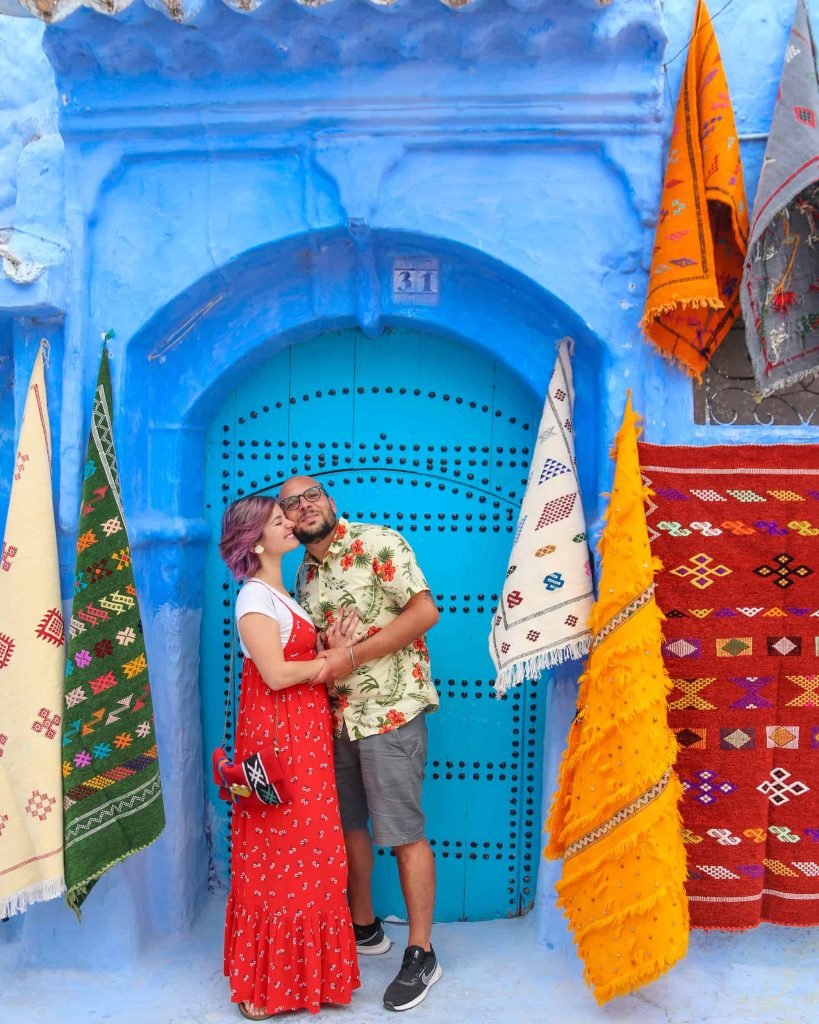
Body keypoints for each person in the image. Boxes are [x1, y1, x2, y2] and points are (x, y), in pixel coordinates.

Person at [278, 475, 442, 1013]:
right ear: (285, 520)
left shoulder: (377, 543)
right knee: (348, 829)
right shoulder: (304, 573)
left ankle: (422, 952)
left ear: (330, 503)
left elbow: (424, 614)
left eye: (311, 497)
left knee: (402, 834)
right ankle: (365, 927)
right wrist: (331, 650)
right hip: (338, 722)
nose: (303, 507)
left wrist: (353, 656)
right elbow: (326, 649)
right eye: (290, 504)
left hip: (389, 714)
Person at [218, 494, 361, 1020]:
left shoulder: (280, 592)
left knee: (313, 852)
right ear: (256, 540)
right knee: (280, 853)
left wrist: (325, 640)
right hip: (279, 742)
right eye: (278, 522)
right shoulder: (254, 598)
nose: (289, 525)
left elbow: (290, 653)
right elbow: (275, 674)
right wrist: (331, 660)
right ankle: (265, 984)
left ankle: (307, 978)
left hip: (303, 738)